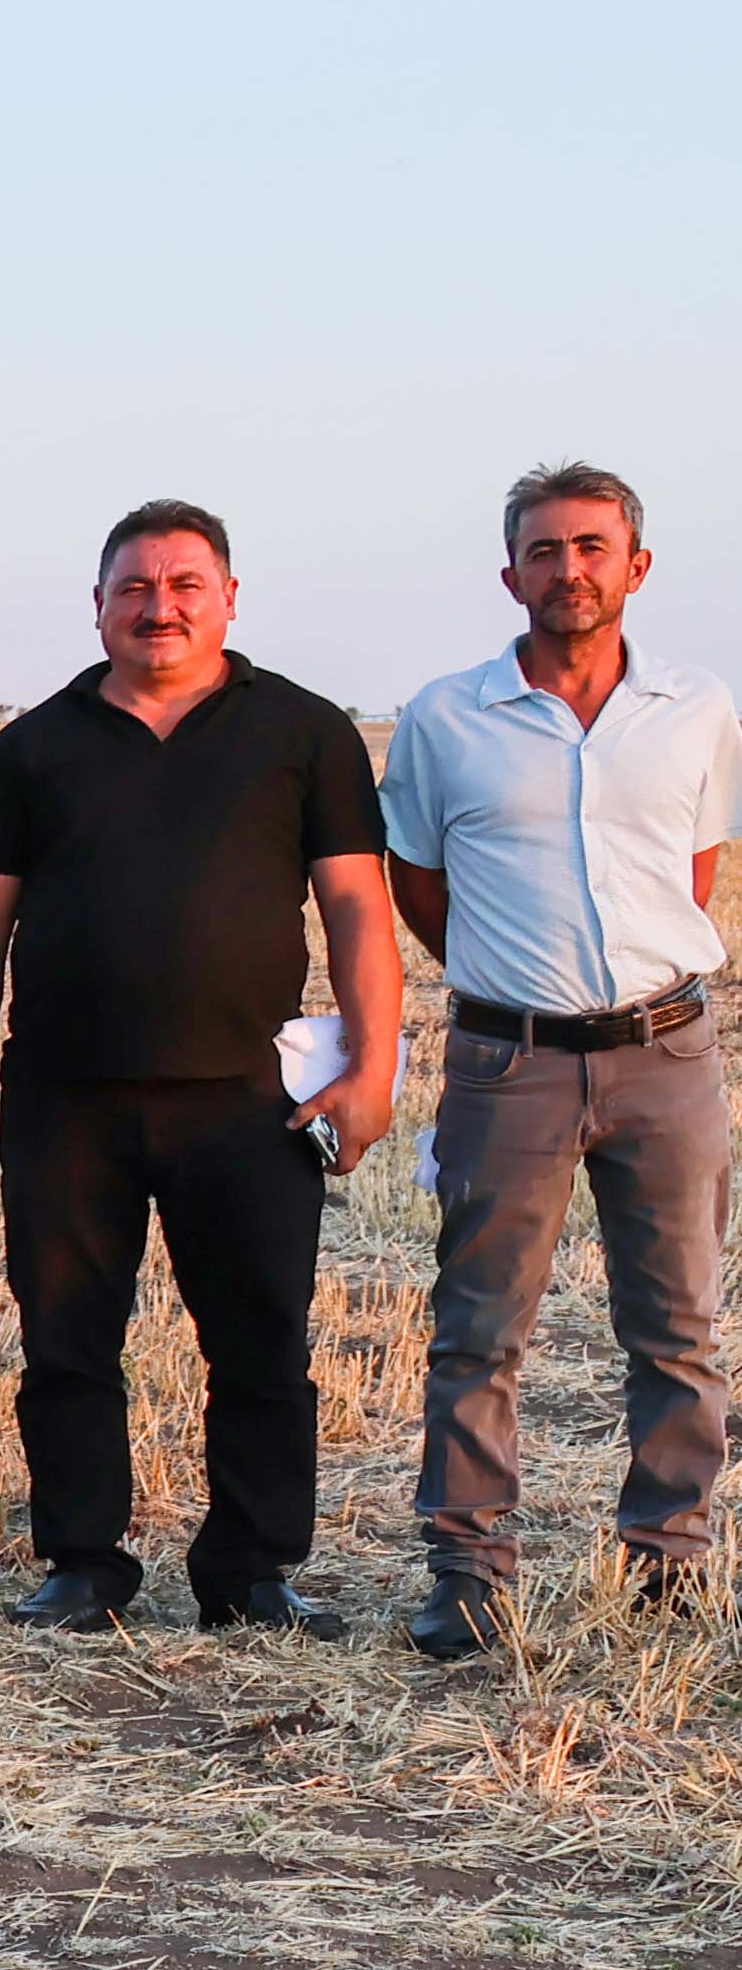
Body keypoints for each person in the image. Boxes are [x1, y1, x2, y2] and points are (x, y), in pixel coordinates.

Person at [0, 502, 406, 1636]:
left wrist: (376, 1064)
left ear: (229, 599)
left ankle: (250, 1573)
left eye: (186, 584)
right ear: (97, 605)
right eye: (135, 587)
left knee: (260, 1343)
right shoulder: (32, 748)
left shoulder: (304, 731)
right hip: (64, 1098)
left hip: (248, 1101)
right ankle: (83, 1564)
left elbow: (356, 907)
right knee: (66, 1342)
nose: (160, 606)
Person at [386, 464, 737, 1654]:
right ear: (510, 575)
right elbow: (419, 881)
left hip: (667, 1053)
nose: (569, 568)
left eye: (592, 546)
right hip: (510, 1062)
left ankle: (669, 1561)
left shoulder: (697, 708)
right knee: (479, 1328)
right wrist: (513, 977)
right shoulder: (447, 717)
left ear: (637, 565)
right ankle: (468, 1572)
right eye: (544, 549)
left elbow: (691, 877)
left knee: (678, 1326)